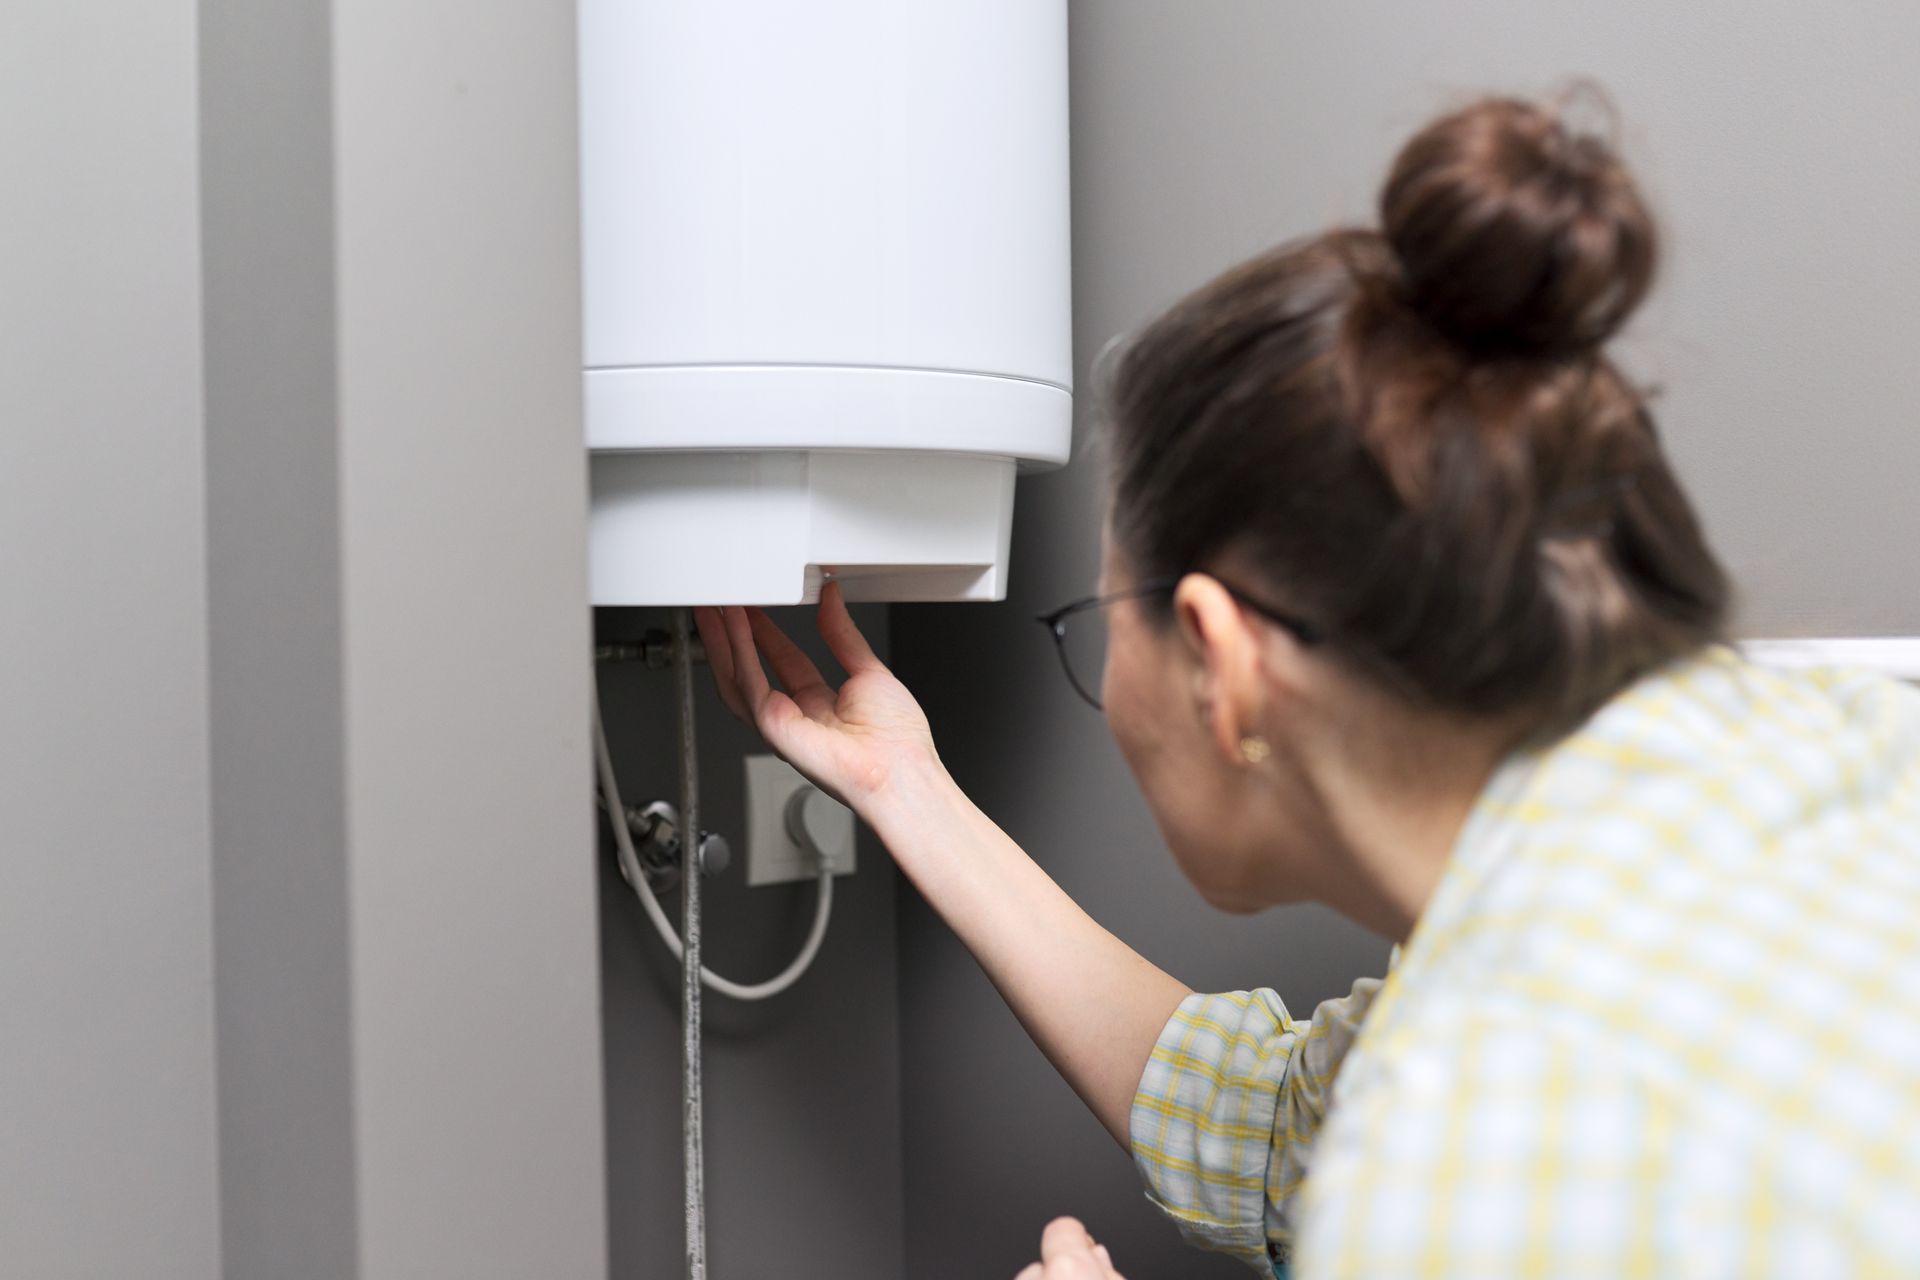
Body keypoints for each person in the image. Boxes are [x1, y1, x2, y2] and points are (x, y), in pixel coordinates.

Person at [693, 90, 1920, 1278]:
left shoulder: (1482, 1152)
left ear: (1220, 664)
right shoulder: (1829, 741)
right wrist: (908, 788)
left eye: (1099, 619)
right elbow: (1290, 1124)